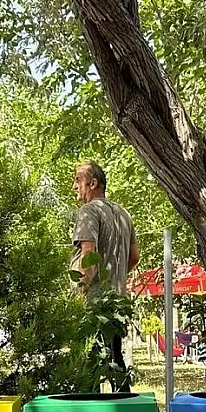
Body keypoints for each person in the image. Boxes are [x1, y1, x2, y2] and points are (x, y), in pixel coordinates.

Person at [71, 160, 139, 391]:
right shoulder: (124, 214)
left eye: (78, 180)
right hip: (117, 302)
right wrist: (116, 278)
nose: (74, 186)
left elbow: (88, 255)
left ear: (93, 183)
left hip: (94, 304)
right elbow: (135, 257)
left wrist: (80, 293)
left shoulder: (88, 211)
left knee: (90, 363)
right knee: (115, 360)